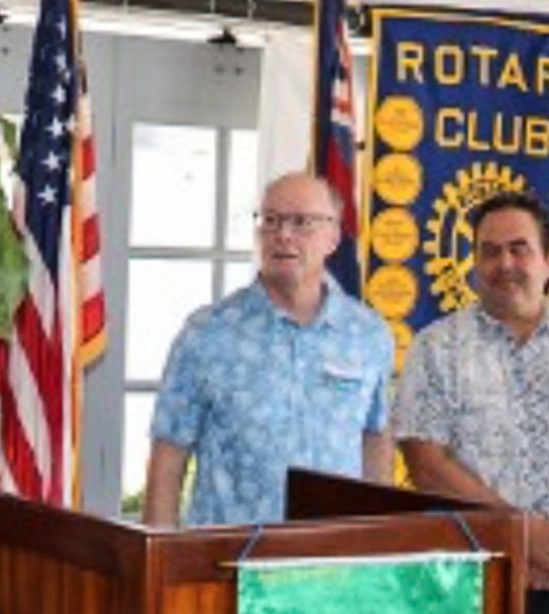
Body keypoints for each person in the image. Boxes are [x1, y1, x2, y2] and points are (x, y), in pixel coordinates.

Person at [393, 190, 549, 614]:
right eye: (489, 251)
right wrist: (523, 533)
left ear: (548, 261)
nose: (504, 263)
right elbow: (426, 461)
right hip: (467, 573)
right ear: (473, 263)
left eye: (519, 248)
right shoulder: (436, 347)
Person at [143, 171, 394, 527]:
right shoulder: (207, 332)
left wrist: (380, 543)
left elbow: (375, 438)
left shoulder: (367, 334)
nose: (283, 235)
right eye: (270, 221)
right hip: (230, 561)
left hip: (335, 564)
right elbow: (168, 456)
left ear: (333, 237)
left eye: (301, 222)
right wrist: (158, 565)